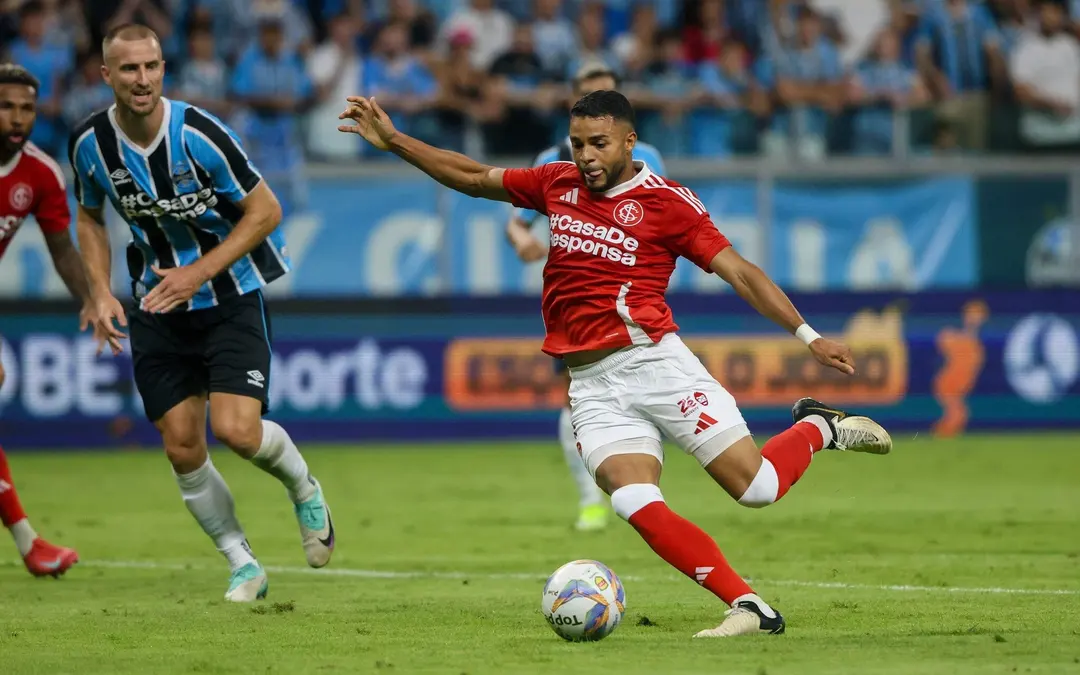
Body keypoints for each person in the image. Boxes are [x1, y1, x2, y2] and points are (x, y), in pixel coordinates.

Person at [338, 89, 892, 637]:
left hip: (655, 365)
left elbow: (740, 272)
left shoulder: (668, 203)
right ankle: (748, 606)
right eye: (577, 143)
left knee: (757, 489)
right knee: (632, 498)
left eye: (598, 144)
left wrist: (808, 335)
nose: (586, 156)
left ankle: (819, 425)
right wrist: (393, 142)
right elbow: (474, 177)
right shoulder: (556, 183)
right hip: (591, 384)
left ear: (630, 141)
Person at [68, 24, 335, 602]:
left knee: (236, 431)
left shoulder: (200, 133)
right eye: (130, 69)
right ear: (106, 74)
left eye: (152, 67)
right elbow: (88, 216)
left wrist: (198, 271)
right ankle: (243, 563)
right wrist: (99, 289)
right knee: (182, 445)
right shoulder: (89, 143)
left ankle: (303, 487)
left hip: (230, 296)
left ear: (163, 69)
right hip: (157, 305)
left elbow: (266, 211)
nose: (143, 79)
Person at [504, 63, 665, 533]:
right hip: (580, 299)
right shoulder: (553, 158)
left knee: (649, 395)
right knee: (575, 399)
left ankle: (640, 488)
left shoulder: (648, 155)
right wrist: (522, 242)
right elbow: (517, 221)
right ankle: (590, 498)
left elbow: (661, 212)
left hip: (636, 300)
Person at [0, 63, 91, 578]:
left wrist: (93, 300)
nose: (18, 118)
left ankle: (30, 542)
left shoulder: (39, 174)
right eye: (7, 106)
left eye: (27, 109)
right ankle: (29, 542)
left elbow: (63, 250)